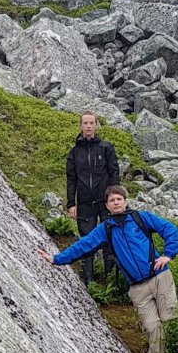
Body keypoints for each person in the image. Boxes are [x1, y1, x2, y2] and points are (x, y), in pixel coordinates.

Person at [39, 185, 178, 353]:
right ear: (107, 206)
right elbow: (83, 245)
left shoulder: (140, 218)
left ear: (125, 201)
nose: (116, 202)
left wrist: (168, 254)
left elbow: (169, 229)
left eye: (119, 199)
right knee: (152, 327)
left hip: (160, 277)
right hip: (137, 288)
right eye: (112, 200)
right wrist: (57, 259)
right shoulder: (106, 229)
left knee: (169, 322)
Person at [66, 112, 119, 286]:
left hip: (104, 203)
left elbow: (114, 173)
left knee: (109, 239)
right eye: (85, 123)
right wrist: (71, 204)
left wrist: (113, 199)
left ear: (96, 125)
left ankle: (110, 281)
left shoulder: (106, 148)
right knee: (87, 240)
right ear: (80, 126)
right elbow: (71, 179)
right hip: (84, 203)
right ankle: (88, 281)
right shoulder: (74, 152)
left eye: (91, 123)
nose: (88, 126)